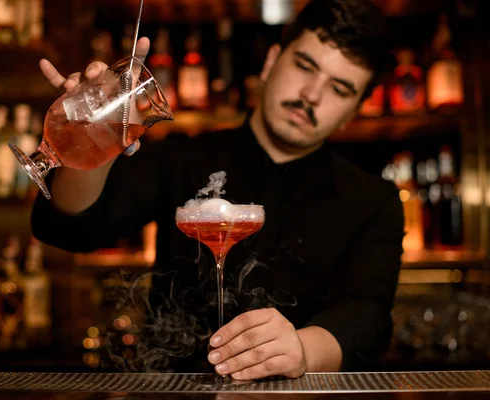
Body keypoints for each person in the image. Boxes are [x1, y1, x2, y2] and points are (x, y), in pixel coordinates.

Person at [32, 0, 403, 380]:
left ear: (354, 110)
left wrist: (303, 350)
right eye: (305, 66)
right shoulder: (183, 157)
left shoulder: (372, 200)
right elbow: (69, 228)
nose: (311, 94)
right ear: (272, 60)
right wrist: (94, 139)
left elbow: (368, 316)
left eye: (339, 89)